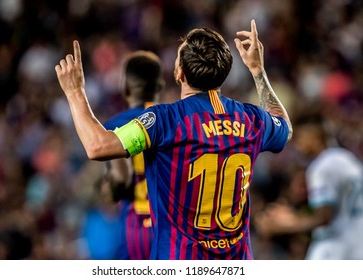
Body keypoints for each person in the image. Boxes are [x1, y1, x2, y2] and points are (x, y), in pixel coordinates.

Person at [55, 19, 293, 260]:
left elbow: (98, 146)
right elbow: (285, 128)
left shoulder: (165, 120)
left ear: (179, 73)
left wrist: (75, 92)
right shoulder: (252, 119)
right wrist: (258, 70)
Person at [254, 117, 363, 259]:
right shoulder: (346, 157)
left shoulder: (321, 167)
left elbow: (324, 217)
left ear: (314, 137)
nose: (297, 146)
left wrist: (286, 224)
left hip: (337, 247)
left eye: (300, 139)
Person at [103, 50, 165, 259]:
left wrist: (108, 189)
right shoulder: (175, 120)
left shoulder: (115, 125)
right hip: (171, 229)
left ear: (125, 87)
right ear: (160, 87)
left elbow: (120, 179)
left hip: (136, 228)